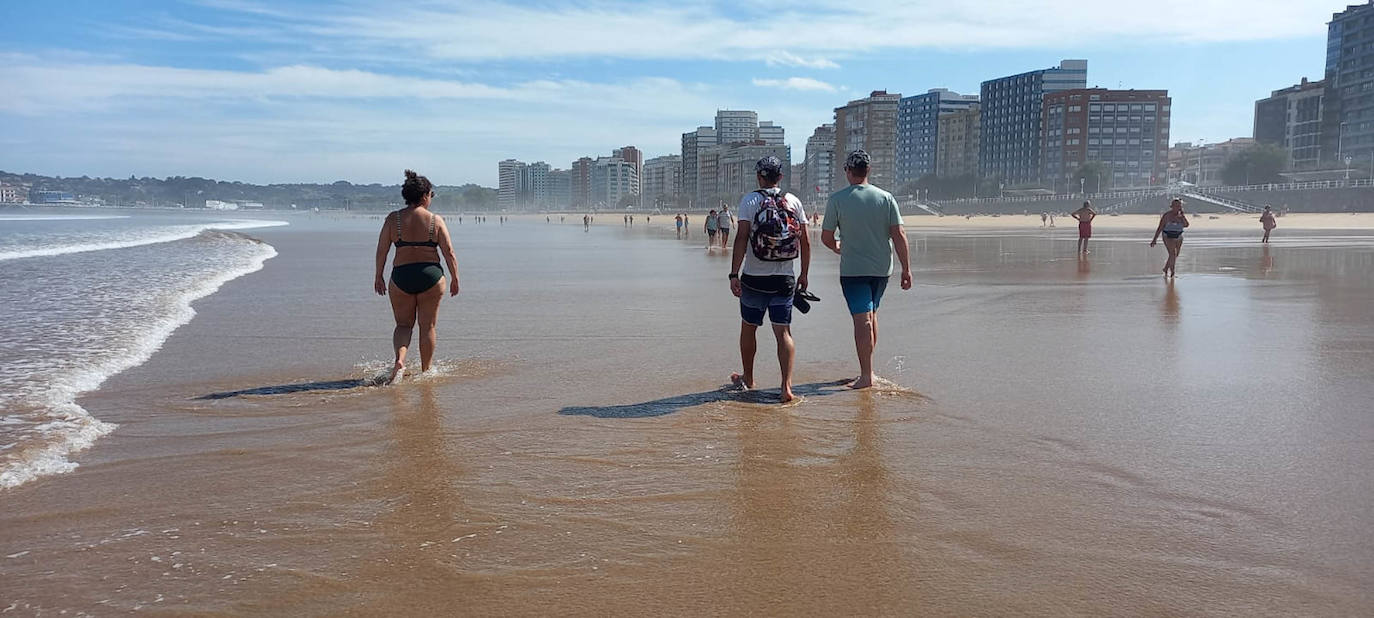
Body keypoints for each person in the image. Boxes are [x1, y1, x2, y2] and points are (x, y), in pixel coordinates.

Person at [821, 150, 912, 390]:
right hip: (882, 269)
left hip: (853, 270)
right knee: (871, 316)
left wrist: (838, 248)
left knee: (863, 321)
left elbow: (827, 237)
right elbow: (899, 235)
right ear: (868, 170)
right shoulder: (886, 198)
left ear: (848, 171)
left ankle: (866, 376)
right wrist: (906, 269)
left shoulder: (838, 199)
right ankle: (868, 370)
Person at [729, 156, 810, 403]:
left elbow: (742, 237)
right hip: (784, 278)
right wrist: (804, 274)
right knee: (783, 332)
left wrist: (734, 274)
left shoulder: (750, 200)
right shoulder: (793, 201)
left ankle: (749, 379)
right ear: (780, 177)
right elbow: (804, 241)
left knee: (748, 328)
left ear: (759, 176)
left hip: (754, 277)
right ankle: (786, 387)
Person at [374, 170, 460, 384]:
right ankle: (426, 370)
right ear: (424, 196)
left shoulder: (393, 219)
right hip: (430, 276)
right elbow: (448, 251)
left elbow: (382, 250)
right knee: (427, 326)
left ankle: (400, 361)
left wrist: (379, 276)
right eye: (431, 194)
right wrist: (455, 277)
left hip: (401, 276)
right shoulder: (435, 220)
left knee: (403, 325)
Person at [1150, 198, 1190, 277]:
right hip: (1167, 236)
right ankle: (1172, 272)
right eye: (1176, 206)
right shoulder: (1167, 216)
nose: (1178, 208)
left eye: (1179, 206)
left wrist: (1182, 217)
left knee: (1176, 254)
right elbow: (1160, 228)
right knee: (1172, 254)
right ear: (1172, 207)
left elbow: (1186, 225)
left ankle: (1165, 268)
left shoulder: (1181, 215)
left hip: (1178, 236)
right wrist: (1154, 240)